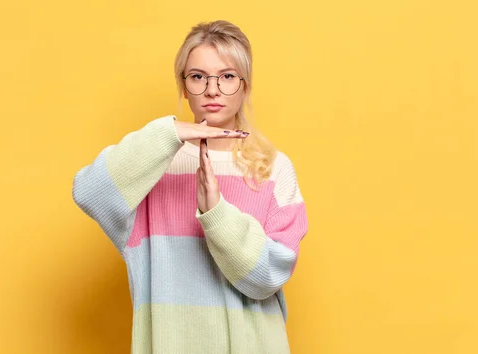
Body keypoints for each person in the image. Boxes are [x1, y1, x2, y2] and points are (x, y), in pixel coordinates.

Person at [72, 20, 309, 354]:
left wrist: (217, 213)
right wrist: (170, 134)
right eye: (198, 76)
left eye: (227, 76)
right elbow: (89, 192)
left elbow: (269, 275)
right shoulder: (153, 165)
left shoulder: (273, 169)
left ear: (245, 86)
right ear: (184, 86)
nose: (212, 90)